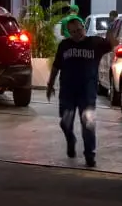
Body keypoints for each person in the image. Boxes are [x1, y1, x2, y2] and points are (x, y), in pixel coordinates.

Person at [46, 16, 108, 167]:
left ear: (83, 27)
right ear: (69, 33)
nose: (77, 34)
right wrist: (50, 84)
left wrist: (112, 24)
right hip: (67, 92)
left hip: (87, 93)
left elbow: (112, 44)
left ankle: (90, 155)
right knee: (66, 122)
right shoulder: (64, 45)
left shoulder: (95, 43)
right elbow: (56, 66)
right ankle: (71, 139)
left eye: (79, 30)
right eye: (73, 32)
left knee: (88, 124)